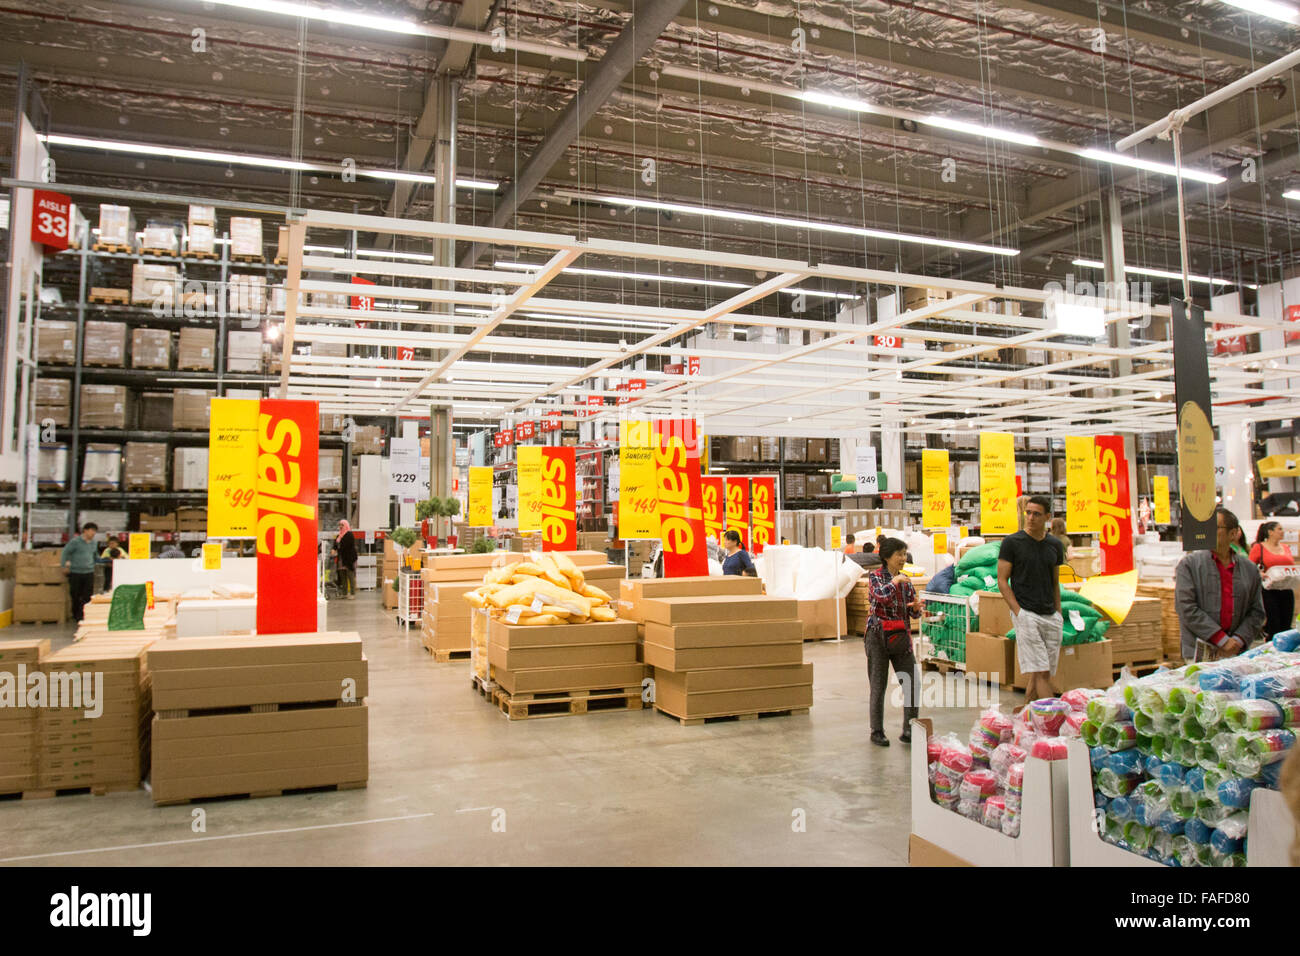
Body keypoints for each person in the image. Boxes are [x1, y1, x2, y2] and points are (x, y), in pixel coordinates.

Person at [996, 495, 1064, 705]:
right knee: (1042, 671)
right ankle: (1053, 719)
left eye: (1037, 514)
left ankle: (1027, 711)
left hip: (1050, 615)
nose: (1031, 518)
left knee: (1041, 671)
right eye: (1028, 513)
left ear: (1047, 517)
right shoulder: (1012, 543)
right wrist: (1019, 612)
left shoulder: (1054, 544)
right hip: (1026, 613)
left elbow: (1054, 582)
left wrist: (1058, 612)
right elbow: (1002, 580)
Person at [1174, 507, 1266, 661]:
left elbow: (1257, 612)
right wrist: (1221, 639)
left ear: (1233, 533)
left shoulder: (1249, 569)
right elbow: (1186, 608)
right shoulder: (1189, 565)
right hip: (1200, 653)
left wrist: (1238, 639)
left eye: (1215, 527)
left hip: (1237, 652)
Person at [865, 537, 923, 747]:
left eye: (904, 553)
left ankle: (909, 728)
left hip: (900, 637)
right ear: (886, 557)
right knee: (878, 685)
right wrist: (894, 582)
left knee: (912, 682)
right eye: (899, 554)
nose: (903, 558)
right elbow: (880, 598)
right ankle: (877, 731)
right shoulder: (876, 577)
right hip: (877, 636)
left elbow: (910, 611)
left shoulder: (905, 580)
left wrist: (915, 609)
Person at [1250, 521, 1295, 638]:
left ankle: (1285, 651)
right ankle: (1271, 647)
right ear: (1270, 532)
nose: (1282, 531)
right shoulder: (1258, 547)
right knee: (1274, 623)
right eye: (1279, 529)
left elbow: (1291, 565)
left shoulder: (1285, 547)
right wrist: (1259, 573)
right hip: (1269, 590)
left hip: (1286, 588)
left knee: (1286, 623)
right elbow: (1249, 567)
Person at [60, 522, 99, 624]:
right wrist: (64, 565)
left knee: (87, 595)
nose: (93, 533)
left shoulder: (94, 543)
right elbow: (65, 552)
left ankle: (84, 614)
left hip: (89, 571)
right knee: (75, 594)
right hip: (76, 572)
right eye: (92, 531)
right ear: (85, 530)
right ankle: (76, 614)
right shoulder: (75, 542)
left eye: (95, 531)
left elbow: (95, 556)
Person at [332, 519, 358, 600]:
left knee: (350, 576)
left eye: (342, 525)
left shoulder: (349, 535)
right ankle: (344, 593)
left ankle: (353, 593)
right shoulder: (339, 536)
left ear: (346, 525)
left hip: (349, 558)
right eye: (340, 525)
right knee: (342, 576)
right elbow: (336, 545)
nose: (340, 527)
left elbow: (347, 547)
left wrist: (338, 550)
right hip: (341, 559)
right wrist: (333, 549)